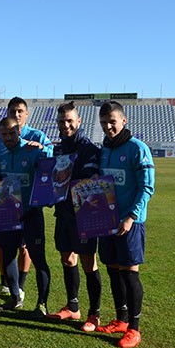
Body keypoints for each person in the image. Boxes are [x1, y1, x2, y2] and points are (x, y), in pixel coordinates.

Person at [96, 101, 154, 348]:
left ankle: (135, 328)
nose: (108, 126)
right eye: (104, 122)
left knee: (130, 273)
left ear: (123, 120)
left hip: (130, 222)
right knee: (112, 269)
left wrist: (131, 217)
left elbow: (147, 187)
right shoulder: (105, 149)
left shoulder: (137, 148)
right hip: (107, 222)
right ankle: (121, 319)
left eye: (112, 121)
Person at [45, 102, 103, 332]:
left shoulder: (89, 149)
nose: (65, 125)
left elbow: (89, 180)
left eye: (70, 120)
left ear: (78, 122)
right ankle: (73, 307)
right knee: (67, 258)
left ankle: (94, 314)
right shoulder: (58, 150)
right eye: (61, 121)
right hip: (64, 213)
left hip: (86, 214)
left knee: (89, 262)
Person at [0, 97, 53, 298]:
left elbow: (54, 166)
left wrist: (43, 150)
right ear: (0, 135)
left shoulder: (33, 148)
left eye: (12, 133)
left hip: (31, 212)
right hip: (8, 213)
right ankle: (15, 297)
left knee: (37, 257)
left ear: (19, 131)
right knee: (8, 255)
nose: (8, 137)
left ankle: (42, 304)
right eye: (4, 134)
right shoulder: (1, 156)